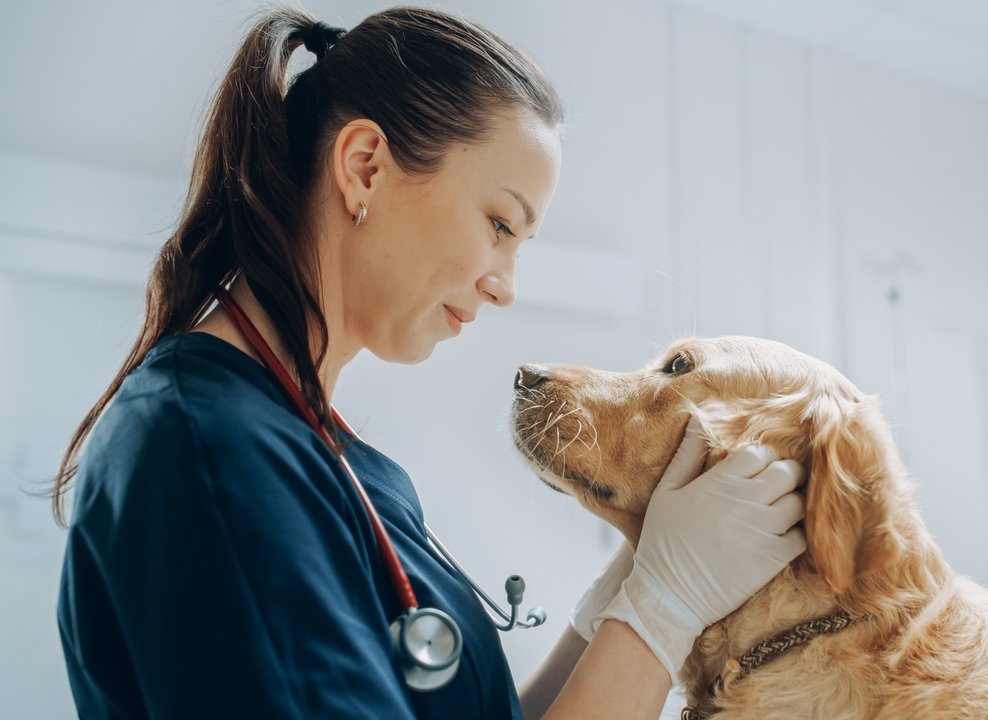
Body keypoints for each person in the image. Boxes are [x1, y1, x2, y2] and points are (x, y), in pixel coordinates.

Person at [52, 6, 806, 719]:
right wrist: (663, 609)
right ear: (365, 167)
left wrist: (622, 600)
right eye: (499, 224)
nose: (505, 287)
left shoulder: (341, 462)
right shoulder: (210, 450)